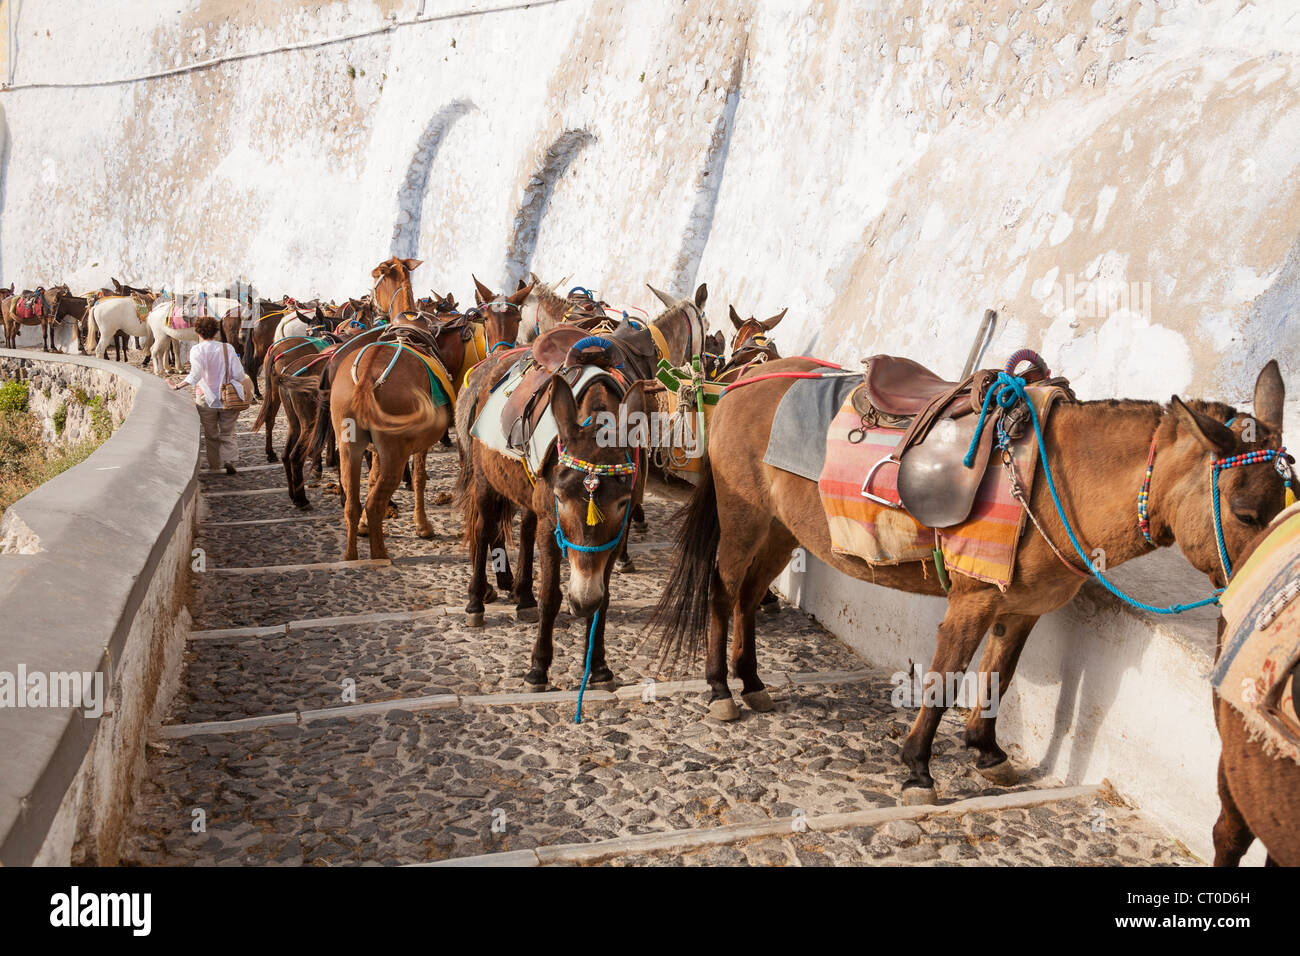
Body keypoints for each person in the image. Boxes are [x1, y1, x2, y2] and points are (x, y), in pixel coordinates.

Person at [170, 315, 246, 474]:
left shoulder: (196, 350)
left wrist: (178, 386)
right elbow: (239, 374)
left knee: (211, 434)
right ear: (216, 332)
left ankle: (215, 464)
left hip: (205, 397)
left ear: (198, 332)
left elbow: (195, 375)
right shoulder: (227, 348)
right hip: (229, 396)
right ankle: (229, 460)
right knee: (228, 432)